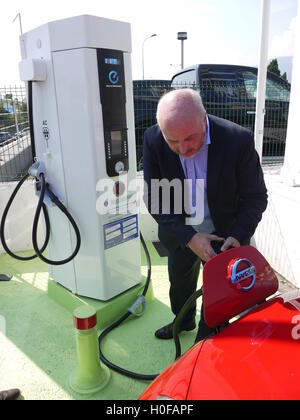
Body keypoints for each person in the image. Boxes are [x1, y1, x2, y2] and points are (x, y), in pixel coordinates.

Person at [143, 89, 268, 343]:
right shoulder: (153, 139)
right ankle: (183, 319)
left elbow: (255, 197)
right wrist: (189, 237)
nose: (183, 148)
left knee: (219, 293)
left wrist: (239, 235)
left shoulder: (237, 139)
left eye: (190, 138)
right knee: (179, 282)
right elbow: (154, 197)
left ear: (204, 119)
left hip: (226, 232)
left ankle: (208, 333)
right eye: (173, 142)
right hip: (180, 230)